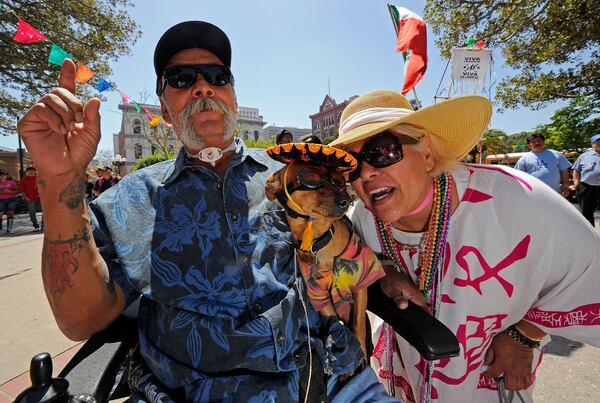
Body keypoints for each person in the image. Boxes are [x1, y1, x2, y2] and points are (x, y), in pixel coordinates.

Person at [17, 21, 395, 402]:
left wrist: (385, 279)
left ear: (232, 96)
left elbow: (345, 252)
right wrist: (59, 179)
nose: (202, 86)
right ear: (164, 110)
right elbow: (81, 319)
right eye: (181, 79)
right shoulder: (133, 197)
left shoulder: (291, 174)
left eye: (217, 76)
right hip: (191, 392)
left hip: (326, 380)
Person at [329, 90, 600, 402]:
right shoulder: (362, 215)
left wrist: (525, 335)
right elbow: (341, 272)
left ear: (427, 152)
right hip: (403, 372)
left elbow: (589, 276)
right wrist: (383, 271)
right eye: (349, 164)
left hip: (488, 376)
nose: (365, 172)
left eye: (382, 151)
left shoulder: (518, 200)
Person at [571, 133, 600, 227]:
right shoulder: (584, 156)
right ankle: (591, 237)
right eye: (597, 142)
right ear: (592, 145)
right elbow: (576, 170)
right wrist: (576, 182)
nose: (599, 143)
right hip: (587, 188)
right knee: (586, 212)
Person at [18, 166, 43, 231]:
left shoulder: (39, 178)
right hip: (30, 200)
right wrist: (25, 197)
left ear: (35, 172)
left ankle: (43, 225)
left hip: (40, 199)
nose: (31, 172)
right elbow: (21, 190)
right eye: (30, 171)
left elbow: (45, 187)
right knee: (32, 213)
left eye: (33, 170)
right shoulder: (24, 179)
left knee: (45, 212)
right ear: (27, 172)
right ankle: (36, 226)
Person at [0, 169, 18, 233]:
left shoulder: (11, 182)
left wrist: (9, 191)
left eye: (4, 175)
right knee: (0, 213)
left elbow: (17, 191)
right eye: (1, 175)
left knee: (10, 213)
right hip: (1, 200)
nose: (2, 176)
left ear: (7, 176)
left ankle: (9, 229)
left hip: (11, 199)